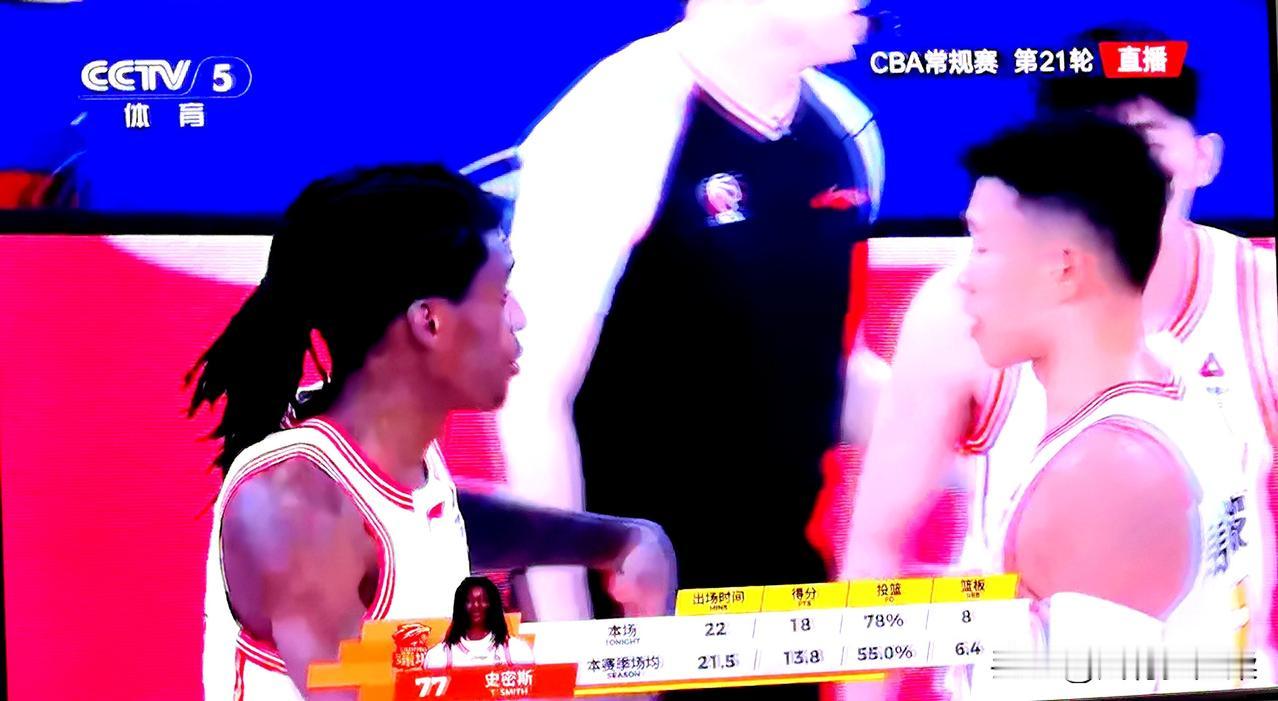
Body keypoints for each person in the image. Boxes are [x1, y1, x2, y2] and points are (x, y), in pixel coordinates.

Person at [842, 24, 1276, 686]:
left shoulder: (1258, 301)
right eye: (1091, 147)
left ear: (1204, 157)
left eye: (1143, 142)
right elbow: (876, 547)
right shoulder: (961, 311)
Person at [498, 3, 887, 684]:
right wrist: (573, 653)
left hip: (782, 599)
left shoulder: (847, 127)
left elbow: (821, 365)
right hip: (631, 606)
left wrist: (990, 456)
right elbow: (533, 399)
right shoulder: (619, 119)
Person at [191, 165, 675, 701]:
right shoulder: (295, 508)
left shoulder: (382, 452)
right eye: (500, 295)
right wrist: (617, 680)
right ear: (430, 323)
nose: (519, 317)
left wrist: (613, 541)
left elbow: (433, 528)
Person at [424, 576, 535, 668]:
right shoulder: (439, 657)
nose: (476, 606)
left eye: (482, 600)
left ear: (493, 605)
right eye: (469, 601)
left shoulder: (517, 651)